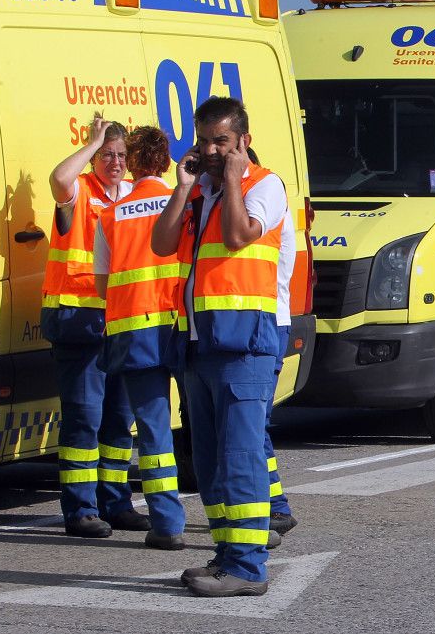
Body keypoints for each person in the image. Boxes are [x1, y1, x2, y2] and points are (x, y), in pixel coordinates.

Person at [152, 97, 287, 597]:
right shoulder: (198, 191)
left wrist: (231, 177)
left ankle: (249, 566)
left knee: (240, 456)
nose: (210, 150)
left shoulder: (263, 185)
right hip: (198, 341)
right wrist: (184, 187)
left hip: (244, 342)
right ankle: (226, 553)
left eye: (221, 142)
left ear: (243, 142)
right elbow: (162, 246)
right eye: (204, 140)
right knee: (208, 460)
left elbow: (237, 237)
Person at [42, 115, 147, 538]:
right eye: (108, 155)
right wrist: (93, 142)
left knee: (119, 420)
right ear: (94, 157)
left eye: (122, 155)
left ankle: (115, 502)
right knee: (84, 419)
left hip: (119, 320)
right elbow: (59, 176)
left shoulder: (132, 197)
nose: (116, 162)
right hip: (78, 318)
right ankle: (81, 509)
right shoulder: (80, 189)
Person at [94, 126, 187, 551]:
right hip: (185, 327)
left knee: (153, 434)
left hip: (135, 332)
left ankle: (167, 524)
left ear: (130, 161)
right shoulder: (185, 201)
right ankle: (231, 519)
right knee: (207, 424)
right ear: (167, 160)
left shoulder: (111, 215)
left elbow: (101, 285)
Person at [246, 146, 299, 537]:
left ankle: (275, 506)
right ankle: (274, 504)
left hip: (266, 322)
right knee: (254, 424)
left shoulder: (263, 197)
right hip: (270, 321)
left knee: (253, 425)